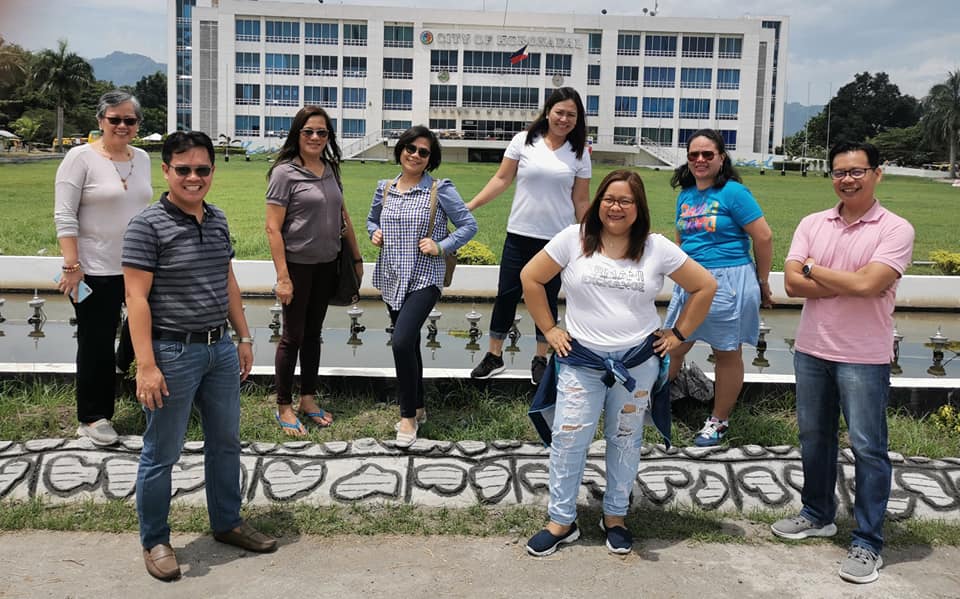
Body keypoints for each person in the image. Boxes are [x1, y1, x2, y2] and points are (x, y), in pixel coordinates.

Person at [519, 170, 716, 556]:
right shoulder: (573, 239)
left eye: (626, 200)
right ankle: (561, 519)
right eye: (609, 198)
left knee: (626, 439)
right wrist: (550, 329)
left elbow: (704, 285)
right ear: (598, 202)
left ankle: (615, 516)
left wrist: (677, 335)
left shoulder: (656, 247)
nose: (616, 207)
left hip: (636, 363)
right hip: (581, 360)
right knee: (569, 437)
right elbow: (531, 277)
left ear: (638, 207)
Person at [123, 131, 277, 581]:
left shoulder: (217, 218)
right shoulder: (147, 226)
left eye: (202, 169)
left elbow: (225, 277)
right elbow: (136, 299)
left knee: (226, 442)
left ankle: (227, 522)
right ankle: (155, 540)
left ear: (213, 171)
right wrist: (146, 365)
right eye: (184, 169)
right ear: (166, 170)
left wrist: (244, 337)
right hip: (172, 352)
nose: (194, 177)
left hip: (220, 350)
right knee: (161, 451)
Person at [772, 141, 914, 584]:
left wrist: (816, 270)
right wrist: (843, 281)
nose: (847, 179)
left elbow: (870, 285)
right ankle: (817, 513)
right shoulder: (814, 222)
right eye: (838, 172)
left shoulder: (895, 228)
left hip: (863, 356)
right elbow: (792, 286)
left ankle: (868, 541)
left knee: (869, 448)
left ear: (877, 173)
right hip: (813, 348)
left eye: (856, 171)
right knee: (814, 437)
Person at [466, 87, 592, 386]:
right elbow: (501, 179)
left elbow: (582, 201)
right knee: (506, 294)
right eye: (559, 112)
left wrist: (592, 236)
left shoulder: (580, 152)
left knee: (547, 299)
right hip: (520, 233)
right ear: (547, 112)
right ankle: (494, 355)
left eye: (571, 115)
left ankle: (541, 357)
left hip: (557, 240)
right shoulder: (523, 141)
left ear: (578, 119)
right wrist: (469, 205)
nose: (564, 119)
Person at [366, 125, 477, 448]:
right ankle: (419, 404)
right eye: (410, 149)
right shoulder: (384, 188)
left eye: (423, 152)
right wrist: (374, 233)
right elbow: (372, 220)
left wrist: (441, 245)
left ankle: (407, 417)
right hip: (391, 276)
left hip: (425, 277)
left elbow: (469, 225)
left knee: (400, 342)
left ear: (430, 159)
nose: (415, 155)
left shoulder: (439, 190)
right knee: (410, 343)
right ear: (401, 150)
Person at [663, 128, 773, 447]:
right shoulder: (686, 194)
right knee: (672, 345)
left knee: (726, 352)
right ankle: (650, 403)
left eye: (707, 154)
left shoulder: (734, 193)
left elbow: (763, 237)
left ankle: (718, 420)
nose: (699, 160)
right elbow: (682, 237)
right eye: (694, 154)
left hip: (729, 279)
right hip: (693, 279)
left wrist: (763, 282)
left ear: (721, 158)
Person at [54, 90, 152, 446]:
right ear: (101, 121)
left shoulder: (141, 158)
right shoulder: (79, 158)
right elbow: (64, 213)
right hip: (91, 268)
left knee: (143, 327)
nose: (123, 126)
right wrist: (71, 265)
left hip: (138, 266)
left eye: (130, 120)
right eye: (115, 119)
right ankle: (93, 416)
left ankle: (121, 371)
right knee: (95, 341)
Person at [266, 105, 362, 436]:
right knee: (292, 336)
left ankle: (308, 399)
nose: (316, 137)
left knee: (313, 334)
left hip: (327, 265)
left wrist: (357, 258)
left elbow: (343, 216)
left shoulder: (331, 169)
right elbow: (272, 228)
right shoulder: (284, 173)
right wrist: (283, 277)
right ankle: (284, 405)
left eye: (322, 132)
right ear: (297, 134)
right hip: (297, 266)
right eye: (309, 131)